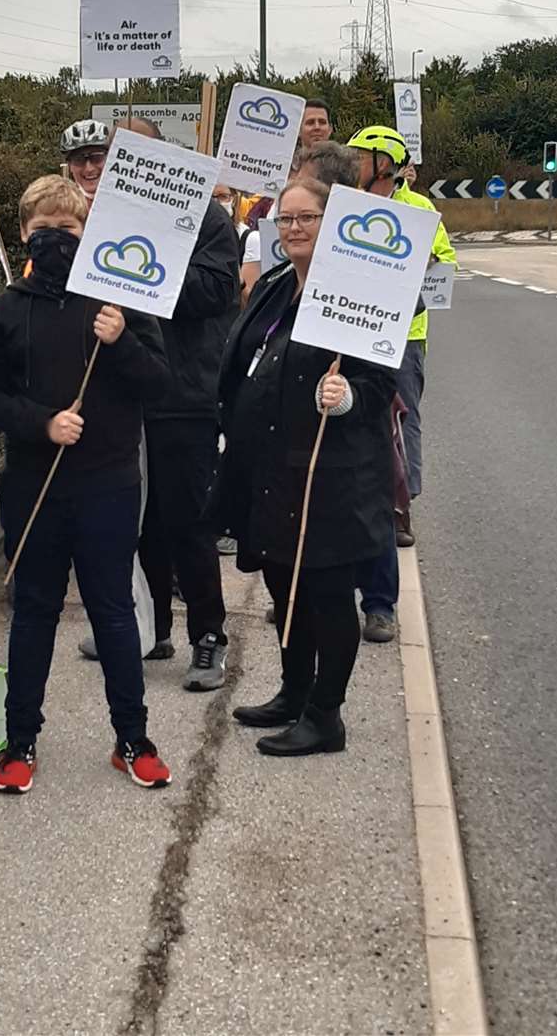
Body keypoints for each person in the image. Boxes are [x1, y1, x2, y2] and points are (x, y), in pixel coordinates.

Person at [0, 176, 172, 792]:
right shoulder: (6, 308)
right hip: (33, 484)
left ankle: (132, 738)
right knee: (34, 612)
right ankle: (20, 740)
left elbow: (160, 383)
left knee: (112, 611)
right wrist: (42, 424)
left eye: (70, 230)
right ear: (25, 234)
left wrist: (121, 342)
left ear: (90, 233)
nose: (56, 240)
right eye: (44, 231)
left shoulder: (124, 302)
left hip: (108, 483)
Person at [213, 178, 395, 755]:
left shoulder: (360, 292)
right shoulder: (272, 285)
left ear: (333, 223)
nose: (292, 228)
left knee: (325, 592)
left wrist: (350, 397)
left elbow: (381, 383)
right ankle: (293, 693)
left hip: (329, 473)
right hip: (271, 466)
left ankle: (326, 715)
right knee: (282, 583)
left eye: (307, 219)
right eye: (285, 219)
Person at [133, 124, 241, 690]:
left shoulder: (206, 217)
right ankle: (152, 627)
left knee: (187, 521)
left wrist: (147, 262)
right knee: (139, 522)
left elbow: (216, 291)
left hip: (185, 393)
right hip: (127, 394)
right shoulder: (103, 217)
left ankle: (209, 636)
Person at [345, 125, 456, 642]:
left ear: (383, 163)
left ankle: (401, 506)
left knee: (394, 436)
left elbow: (444, 268)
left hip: (403, 337)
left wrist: (416, 269)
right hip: (345, 333)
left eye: (362, 156)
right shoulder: (340, 202)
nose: (354, 162)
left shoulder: (418, 211)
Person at [61, 117, 111, 208]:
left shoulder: (132, 202)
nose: (89, 168)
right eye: (79, 160)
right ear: (70, 166)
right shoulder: (62, 208)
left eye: (97, 157)